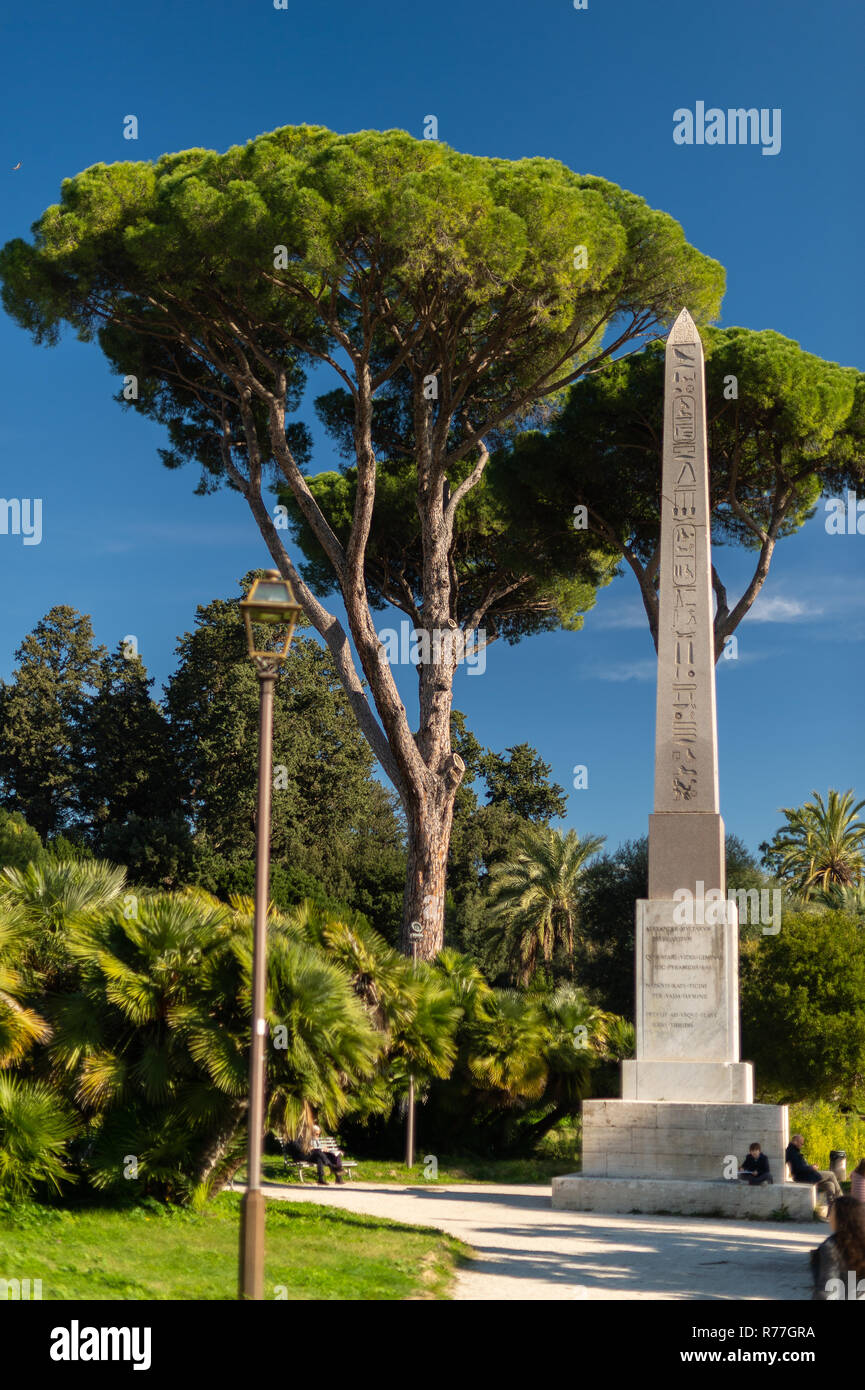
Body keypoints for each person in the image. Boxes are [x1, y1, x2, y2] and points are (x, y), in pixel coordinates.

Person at [811, 1196, 865, 1299]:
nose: (829, 1217)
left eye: (832, 1213)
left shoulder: (832, 1247)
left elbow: (828, 1287)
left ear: (841, 1217)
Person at [785, 1134, 842, 1202]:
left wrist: (810, 1167)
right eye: (801, 1143)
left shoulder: (793, 1151)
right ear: (795, 1142)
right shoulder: (792, 1153)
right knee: (831, 1174)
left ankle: (832, 1206)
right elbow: (798, 1169)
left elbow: (800, 1166)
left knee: (830, 1185)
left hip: (806, 1175)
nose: (802, 1146)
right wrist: (811, 1167)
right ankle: (842, 1200)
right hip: (804, 1177)